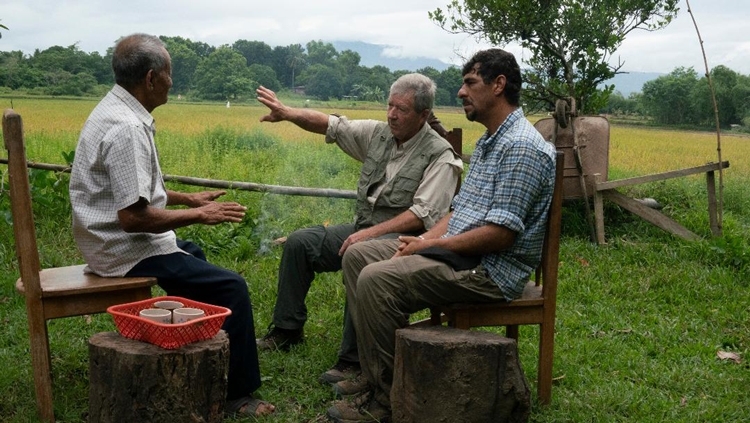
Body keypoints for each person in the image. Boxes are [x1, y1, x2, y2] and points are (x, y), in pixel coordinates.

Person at [326, 48, 557, 422]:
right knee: (359, 255)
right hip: (460, 256)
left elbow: (499, 236)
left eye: (469, 83)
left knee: (377, 278)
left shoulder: (520, 147)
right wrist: (421, 241)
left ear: (498, 86)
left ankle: (387, 405)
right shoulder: (490, 141)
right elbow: (458, 212)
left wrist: (429, 245)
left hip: (489, 272)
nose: (461, 92)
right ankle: (377, 377)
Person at [68, 33, 274, 418]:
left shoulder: (117, 109)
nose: (172, 81)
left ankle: (203, 340)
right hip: (121, 248)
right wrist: (200, 214)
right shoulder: (127, 128)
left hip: (109, 240)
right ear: (150, 78)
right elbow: (133, 218)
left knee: (193, 255)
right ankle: (239, 396)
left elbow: (137, 192)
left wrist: (188, 199)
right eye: (169, 73)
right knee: (232, 287)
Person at [255, 74, 463, 394]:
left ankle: (353, 359)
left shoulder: (440, 155)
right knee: (300, 243)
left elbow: (423, 214)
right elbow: (332, 125)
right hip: (363, 229)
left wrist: (369, 235)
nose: (392, 114)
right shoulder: (378, 134)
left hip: (405, 243)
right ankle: (287, 329)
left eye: (402, 109)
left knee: (360, 257)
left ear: (423, 115)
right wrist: (288, 113)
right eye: (390, 106)